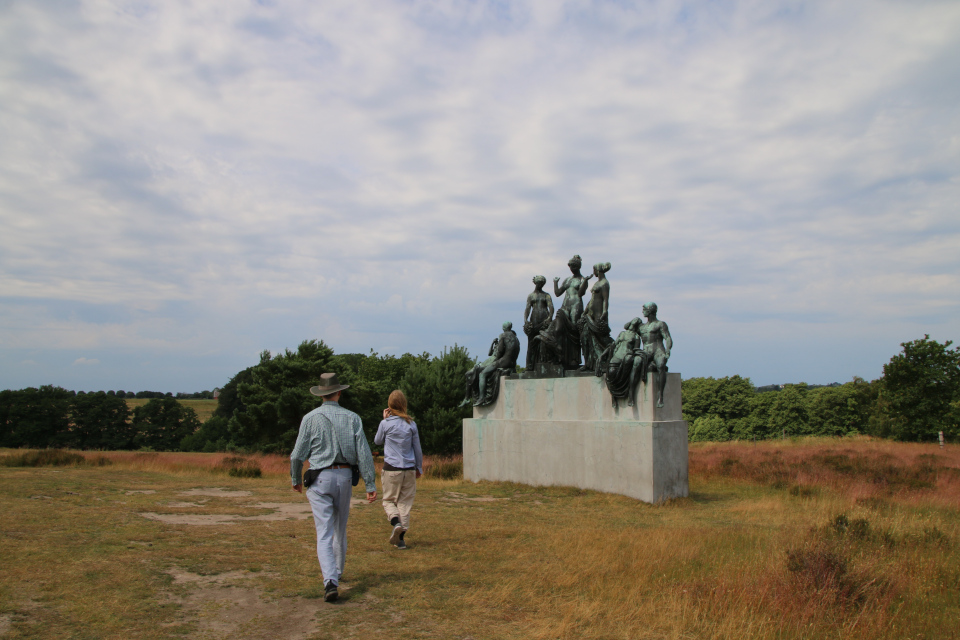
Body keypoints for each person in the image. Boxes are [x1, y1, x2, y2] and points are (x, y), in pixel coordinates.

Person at [290, 372, 377, 603]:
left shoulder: (310, 418)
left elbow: (297, 455)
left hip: (319, 478)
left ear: (321, 394)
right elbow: (364, 454)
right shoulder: (353, 418)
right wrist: (370, 483)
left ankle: (330, 580)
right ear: (339, 392)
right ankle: (337, 573)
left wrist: (295, 479)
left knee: (324, 532)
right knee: (340, 527)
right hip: (345, 476)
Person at [374, 390, 423, 550]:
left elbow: (377, 441)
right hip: (408, 469)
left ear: (389, 406)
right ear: (404, 404)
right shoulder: (411, 424)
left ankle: (395, 523)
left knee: (388, 500)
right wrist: (419, 467)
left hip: (391, 469)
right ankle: (401, 539)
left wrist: (384, 420)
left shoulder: (386, 424)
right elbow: (417, 448)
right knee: (405, 503)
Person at [536, 255, 591, 369]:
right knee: (558, 329)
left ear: (578, 266)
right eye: (570, 266)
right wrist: (555, 282)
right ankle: (559, 356)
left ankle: (574, 360)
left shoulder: (582, 279)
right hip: (565, 306)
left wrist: (585, 282)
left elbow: (581, 293)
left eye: (573, 266)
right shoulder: (568, 280)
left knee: (575, 330)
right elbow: (557, 293)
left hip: (576, 305)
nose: (571, 268)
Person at [637, 302, 673, 408]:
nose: (642, 311)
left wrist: (668, 350)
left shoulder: (660, 324)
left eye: (644, 309)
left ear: (651, 310)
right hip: (646, 352)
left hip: (658, 350)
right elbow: (628, 330)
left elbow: (667, 337)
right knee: (635, 364)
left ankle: (661, 395)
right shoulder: (641, 327)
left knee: (661, 366)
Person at [578, 262, 613, 371]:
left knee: (601, 339)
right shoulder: (596, 283)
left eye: (594, 269)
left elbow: (606, 300)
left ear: (598, 270)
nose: (593, 272)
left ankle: (606, 358)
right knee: (585, 338)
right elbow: (592, 299)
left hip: (598, 316)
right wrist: (585, 311)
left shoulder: (604, 283)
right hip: (590, 316)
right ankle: (588, 363)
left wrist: (604, 312)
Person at [523, 275, 554, 370]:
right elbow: (527, 309)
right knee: (531, 343)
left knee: (544, 342)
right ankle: (530, 366)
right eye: (538, 283)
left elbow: (551, 307)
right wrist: (525, 320)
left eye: (542, 283)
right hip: (534, 321)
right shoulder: (531, 296)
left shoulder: (546, 295)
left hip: (544, 320)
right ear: (535, 283)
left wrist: (549, 318)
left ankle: (544, 363)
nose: (540, 285)